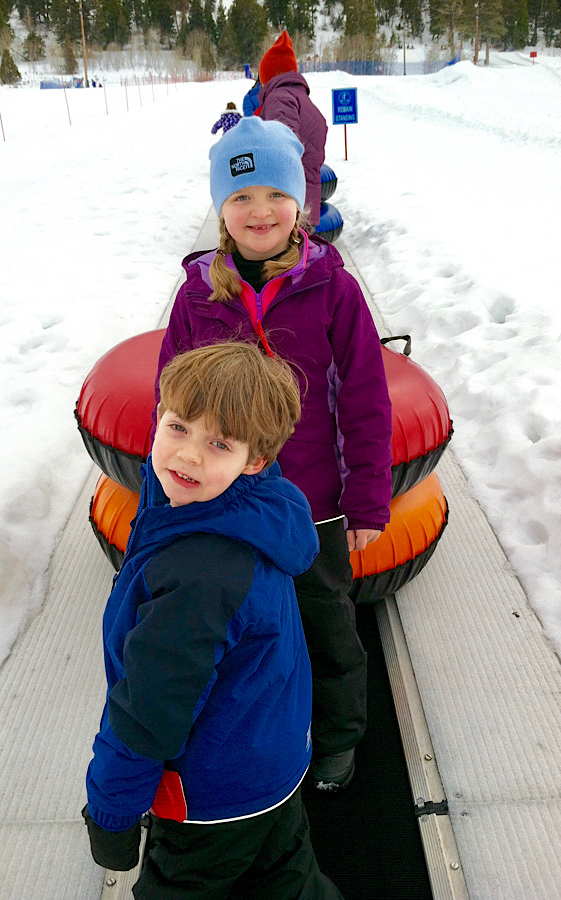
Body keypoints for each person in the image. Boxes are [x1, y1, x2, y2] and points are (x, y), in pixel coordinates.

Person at [152, 117, 393, 792]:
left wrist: (366, 499)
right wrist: (168, 490)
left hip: (312, 502)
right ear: (221, 211)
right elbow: (171, 401)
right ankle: (246, 735)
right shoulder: (197, 295)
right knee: (240, 626)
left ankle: (340, 734)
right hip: (228, 500)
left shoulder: (334, 292)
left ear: (302, 205)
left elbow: (368, 400)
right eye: (240, 196)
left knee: (325, 622)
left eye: (276, 195)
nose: (260, 210)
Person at [82, 342, 344, 899]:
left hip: (212, 794)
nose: (188, 456)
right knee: (286, 878)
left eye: (217, 443)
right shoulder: (253, 505)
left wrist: (111, 815)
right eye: (178, 427)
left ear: (254, 458)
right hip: (273, 762)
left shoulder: (198, 579)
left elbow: (149, 710)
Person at [255, 30, 327, 228]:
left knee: (285, 255)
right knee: (300, 251)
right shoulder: (300, 97)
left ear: (270, 76)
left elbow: (283, 143)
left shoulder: (280, 98)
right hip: (304, 194)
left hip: (290, 196)